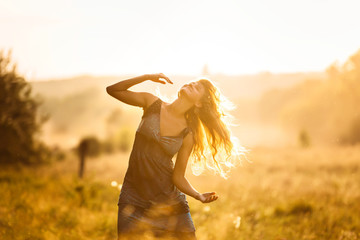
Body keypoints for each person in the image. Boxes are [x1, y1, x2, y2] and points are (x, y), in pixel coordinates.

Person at [106, 73, 249, 240]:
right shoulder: (151, 103)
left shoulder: (188, 133)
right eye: (192, 82)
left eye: (196, 87)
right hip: (133, 201)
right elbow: (113, 90)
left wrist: (198, 196)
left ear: (198, 103)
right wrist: (146, 77)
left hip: (171, 206)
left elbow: (178, 177)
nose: (190, 84)